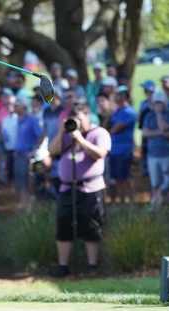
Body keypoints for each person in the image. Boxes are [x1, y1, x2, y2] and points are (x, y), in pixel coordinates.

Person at [48, 99, 111, 277]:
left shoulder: (99, 133)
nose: (76, 124)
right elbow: (52, 151)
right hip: (67, 189)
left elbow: (100, 154)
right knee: (63, 226)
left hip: (91, 189)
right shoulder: (66, 135)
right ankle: (63, 266)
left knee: (91, 227)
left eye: (79, 119)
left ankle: (92, 266)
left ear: (88, 117)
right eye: (73, 119)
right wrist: (61, 132)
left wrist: (80, 139)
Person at [142, 91, 169, 211]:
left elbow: (167, 130)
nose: (157, 105)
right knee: (155, 184)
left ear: (164, 103)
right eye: (155, 102)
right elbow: (145, 133)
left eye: (159, 103)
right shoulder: (148, 115)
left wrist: (158, 116)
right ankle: (156, 205)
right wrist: (160, 133)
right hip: (153, 155)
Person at [13, 98, 45, 210]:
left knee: (29, 181)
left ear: (23, 107)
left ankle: (30, 206)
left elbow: (41, 135)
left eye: (17, 105)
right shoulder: (17, 119)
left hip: (27, 155)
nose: (14, 107)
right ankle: (23, 203)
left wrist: (34, 150)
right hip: (18, 155)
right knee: (20, 181)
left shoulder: (31, 119)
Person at [107, 86, 136, 205]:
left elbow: (115, 129)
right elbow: (107, 124)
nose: (116, 97)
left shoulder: (129, 112)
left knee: (126, 177)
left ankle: (131, 201)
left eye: (118, 95)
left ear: (124, 97)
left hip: (124, 150)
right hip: (114, 150)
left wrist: (104, 135)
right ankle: (122, 201)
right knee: (118, 178)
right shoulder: (117, 111)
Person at [138, 80, 157, 177]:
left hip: (156, 135)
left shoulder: (158, 101)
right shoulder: (144, 103)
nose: (144, 91)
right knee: (144, 152)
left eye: (146, 89)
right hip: (145, 133)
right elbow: (139, 119)